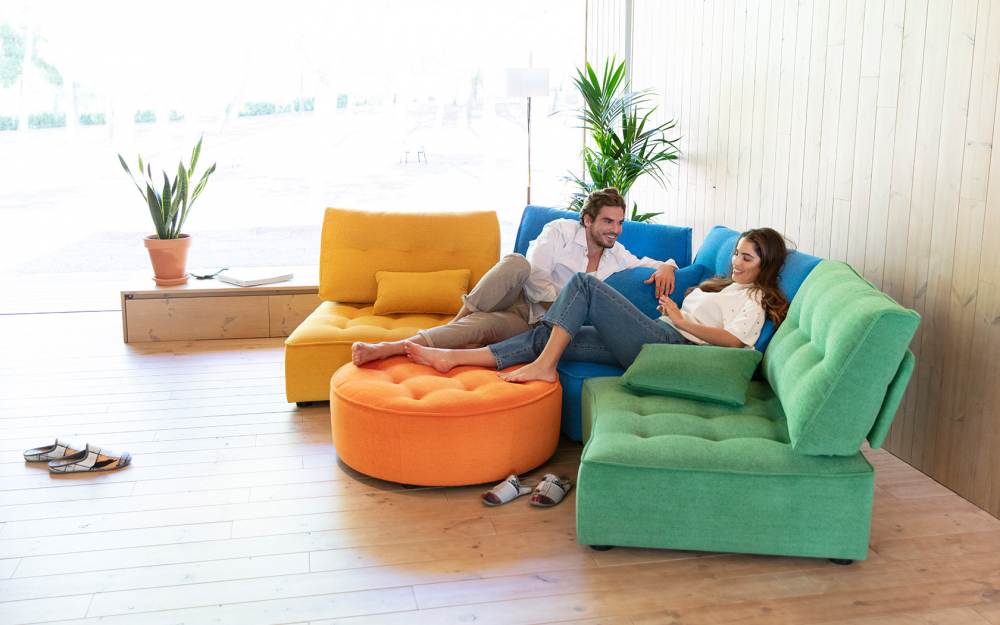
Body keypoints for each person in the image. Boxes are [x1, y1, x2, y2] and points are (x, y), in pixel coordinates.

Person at [403, 228, 791, 383]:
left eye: (747, 258)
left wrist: (680, 319)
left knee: (584, 285)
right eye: (737, 254)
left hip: (674, 348)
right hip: (661, 337)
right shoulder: (727, 286)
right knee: (550, 335)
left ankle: (544, 367)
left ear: (767, 264)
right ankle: (453, 357)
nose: (736, 262)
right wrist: (675, 307)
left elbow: (735, 343)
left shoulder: (757, 298)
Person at [351, 188, 681, 366]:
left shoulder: (616, 253)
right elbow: (535, 273)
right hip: (519, 296)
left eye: (619, 222)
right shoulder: (560, 231)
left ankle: (391, 348)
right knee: (517, 262)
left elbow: (651, 262)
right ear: (588, 220)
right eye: (608, 222)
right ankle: (456, 320)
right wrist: (560, 306)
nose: (615, 230)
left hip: (532, 323)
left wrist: (667, 265)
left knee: (482, 327)